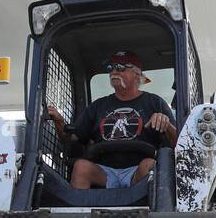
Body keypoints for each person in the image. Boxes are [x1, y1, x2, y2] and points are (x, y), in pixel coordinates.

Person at [46, 50, 176, 189]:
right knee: (81, 167)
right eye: (111, 68)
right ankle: (79, 210)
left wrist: (166, 124)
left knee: (149, 165)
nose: (114, 72)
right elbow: (70, 138)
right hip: (104, 172)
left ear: (137, 74)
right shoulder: (98, 106)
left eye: (121, 68)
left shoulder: (155, 103)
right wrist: (59, 121)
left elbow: (179, 144)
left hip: (138, 171)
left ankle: (153, 210)